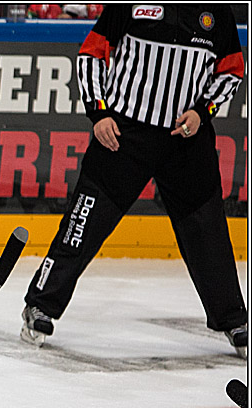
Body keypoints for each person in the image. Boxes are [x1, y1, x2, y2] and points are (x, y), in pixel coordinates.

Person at [21, 4, 247, 359]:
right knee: (83, 225)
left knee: (209, 234)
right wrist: (98, 112)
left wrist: (204, 112)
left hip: (186, 141)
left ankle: (234, 320)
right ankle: (41, 305)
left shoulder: (216, 11)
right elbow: (91, 54)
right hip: (124, 136)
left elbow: (232, 70)